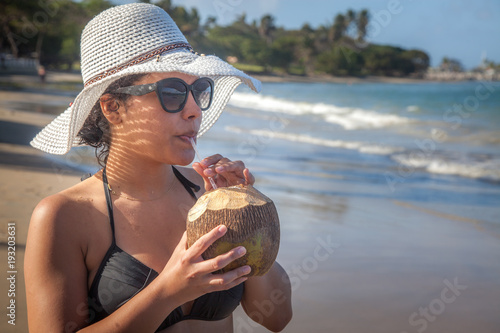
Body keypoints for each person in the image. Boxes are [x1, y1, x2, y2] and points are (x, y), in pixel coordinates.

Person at [25, 3, 292, 333]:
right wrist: (168, 291)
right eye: (172, 93)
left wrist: (247, 219)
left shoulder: (210, 194)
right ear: (113, 107)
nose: (194, 109)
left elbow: (276, 318)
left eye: (199, 90)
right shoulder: (64, 216)